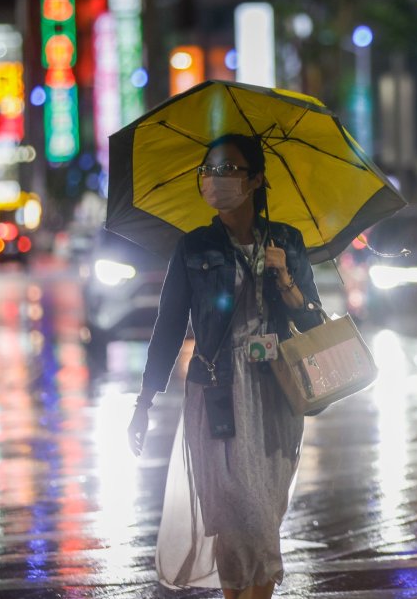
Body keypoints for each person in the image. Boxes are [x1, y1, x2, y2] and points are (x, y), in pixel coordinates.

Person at [127, 133, 323, 598]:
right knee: (231, 516)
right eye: (210, 171)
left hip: (273, 391)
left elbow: (313, 319)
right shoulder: (193, 247)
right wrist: (145, 400)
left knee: (259, 518)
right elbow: (169, 327)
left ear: (256, 179)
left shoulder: (287, 242)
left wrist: (285, 278)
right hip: (215, 392)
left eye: (230, 169)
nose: (217, 180)